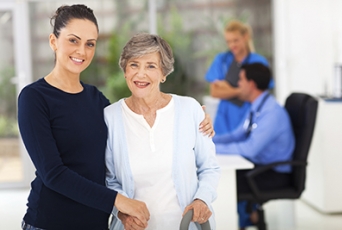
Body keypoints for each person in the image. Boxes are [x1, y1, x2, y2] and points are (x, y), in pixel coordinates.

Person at [17, 5, 214, 230]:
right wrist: (120, 203)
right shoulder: (34, 98)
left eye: (90, 43)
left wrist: (198, 118)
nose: (81, 50)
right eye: (73, 40)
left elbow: (127, 132)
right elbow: (53, 173)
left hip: (96, 223)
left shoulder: (97, 100)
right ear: (53, 41)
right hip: (51, 222)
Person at [104, 33, 221, 230]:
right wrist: (122, 213)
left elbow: (209, 168)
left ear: (164, 73)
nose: (140, 74)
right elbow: (109, 179)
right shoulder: (110, 117)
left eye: (150, 66)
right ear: (124, 70)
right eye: (134, 65)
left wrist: (202, 200)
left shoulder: (190, 109)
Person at [212, 63, 295, 229]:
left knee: (220, 183)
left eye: (241, 80)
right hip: (261, 166)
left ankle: (244, 220)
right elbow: (238, 134)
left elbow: (249, 148)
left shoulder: (271, 113)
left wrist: (212, 149)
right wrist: (208, 140)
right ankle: (250, 216)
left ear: (251, 84)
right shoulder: (257, 106)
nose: (238, 84)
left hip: (273, 173)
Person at [205, 19, 271, 135]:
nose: (232, 45)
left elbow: (261, 94)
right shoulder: (222, 60)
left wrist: (226, 86)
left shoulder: (258, 62)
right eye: (228, 42)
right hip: (223, 118)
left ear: (245, 37)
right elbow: (215, 92)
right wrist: (242, 90)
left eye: (235, 40)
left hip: (248, 114)